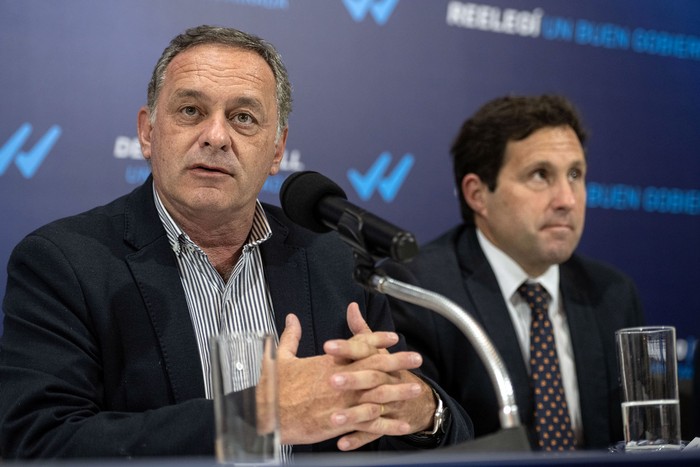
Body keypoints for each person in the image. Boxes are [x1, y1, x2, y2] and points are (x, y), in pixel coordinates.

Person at [0, 25, 472, 459]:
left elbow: (440, 428)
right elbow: (38, 443)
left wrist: (422, 411)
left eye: (244, 117)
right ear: (147, 132)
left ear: (277, 150)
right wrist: (253, 419)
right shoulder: (65, 261)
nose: (216, 136)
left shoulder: (333, 258)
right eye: (191, 111)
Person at [387, 95, 645, 450]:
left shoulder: (612, 294)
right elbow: (418, 446)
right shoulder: (422, 292)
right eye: (541, 175)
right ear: (477, 194)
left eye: (575, 174)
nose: (567, 199)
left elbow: (635, 440)